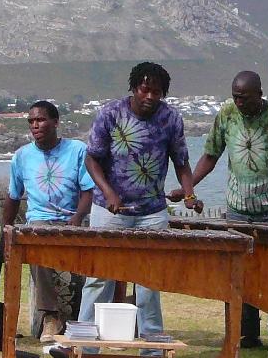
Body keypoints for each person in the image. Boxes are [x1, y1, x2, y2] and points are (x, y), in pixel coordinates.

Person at [171, 70, 268, 355]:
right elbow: (210, 155)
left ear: (260, 93)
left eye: (244, 98)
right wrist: (187, 187)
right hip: (237, 208)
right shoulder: (225, 115)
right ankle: (247, 333)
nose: (239, 103)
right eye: (235, 97)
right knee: (239, 272)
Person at [75, 62, 198, 356]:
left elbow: (181, 162)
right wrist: (109, 192)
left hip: (152, 212)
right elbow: (92, 160)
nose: (151, 96)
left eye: (157, 91)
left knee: (149, 281)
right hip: (108, 210)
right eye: (145, 89)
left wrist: (190, 194)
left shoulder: (171, 119)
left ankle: (152, 348)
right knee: (98, 277)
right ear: (134, 87)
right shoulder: (110, 113)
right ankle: (84, 346)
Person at [2, 100, 94, 342]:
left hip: (71, 220)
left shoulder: (77, 150)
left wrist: (77, 218)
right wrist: (4, 231)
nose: (35, 125)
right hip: (39, 222)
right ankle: (50, 316)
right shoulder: (22, 156)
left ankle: (86, 319)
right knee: (36, 239)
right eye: (31, 121)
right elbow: (13, 197)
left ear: (55, 122)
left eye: (40, 120)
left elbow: (88, 191)